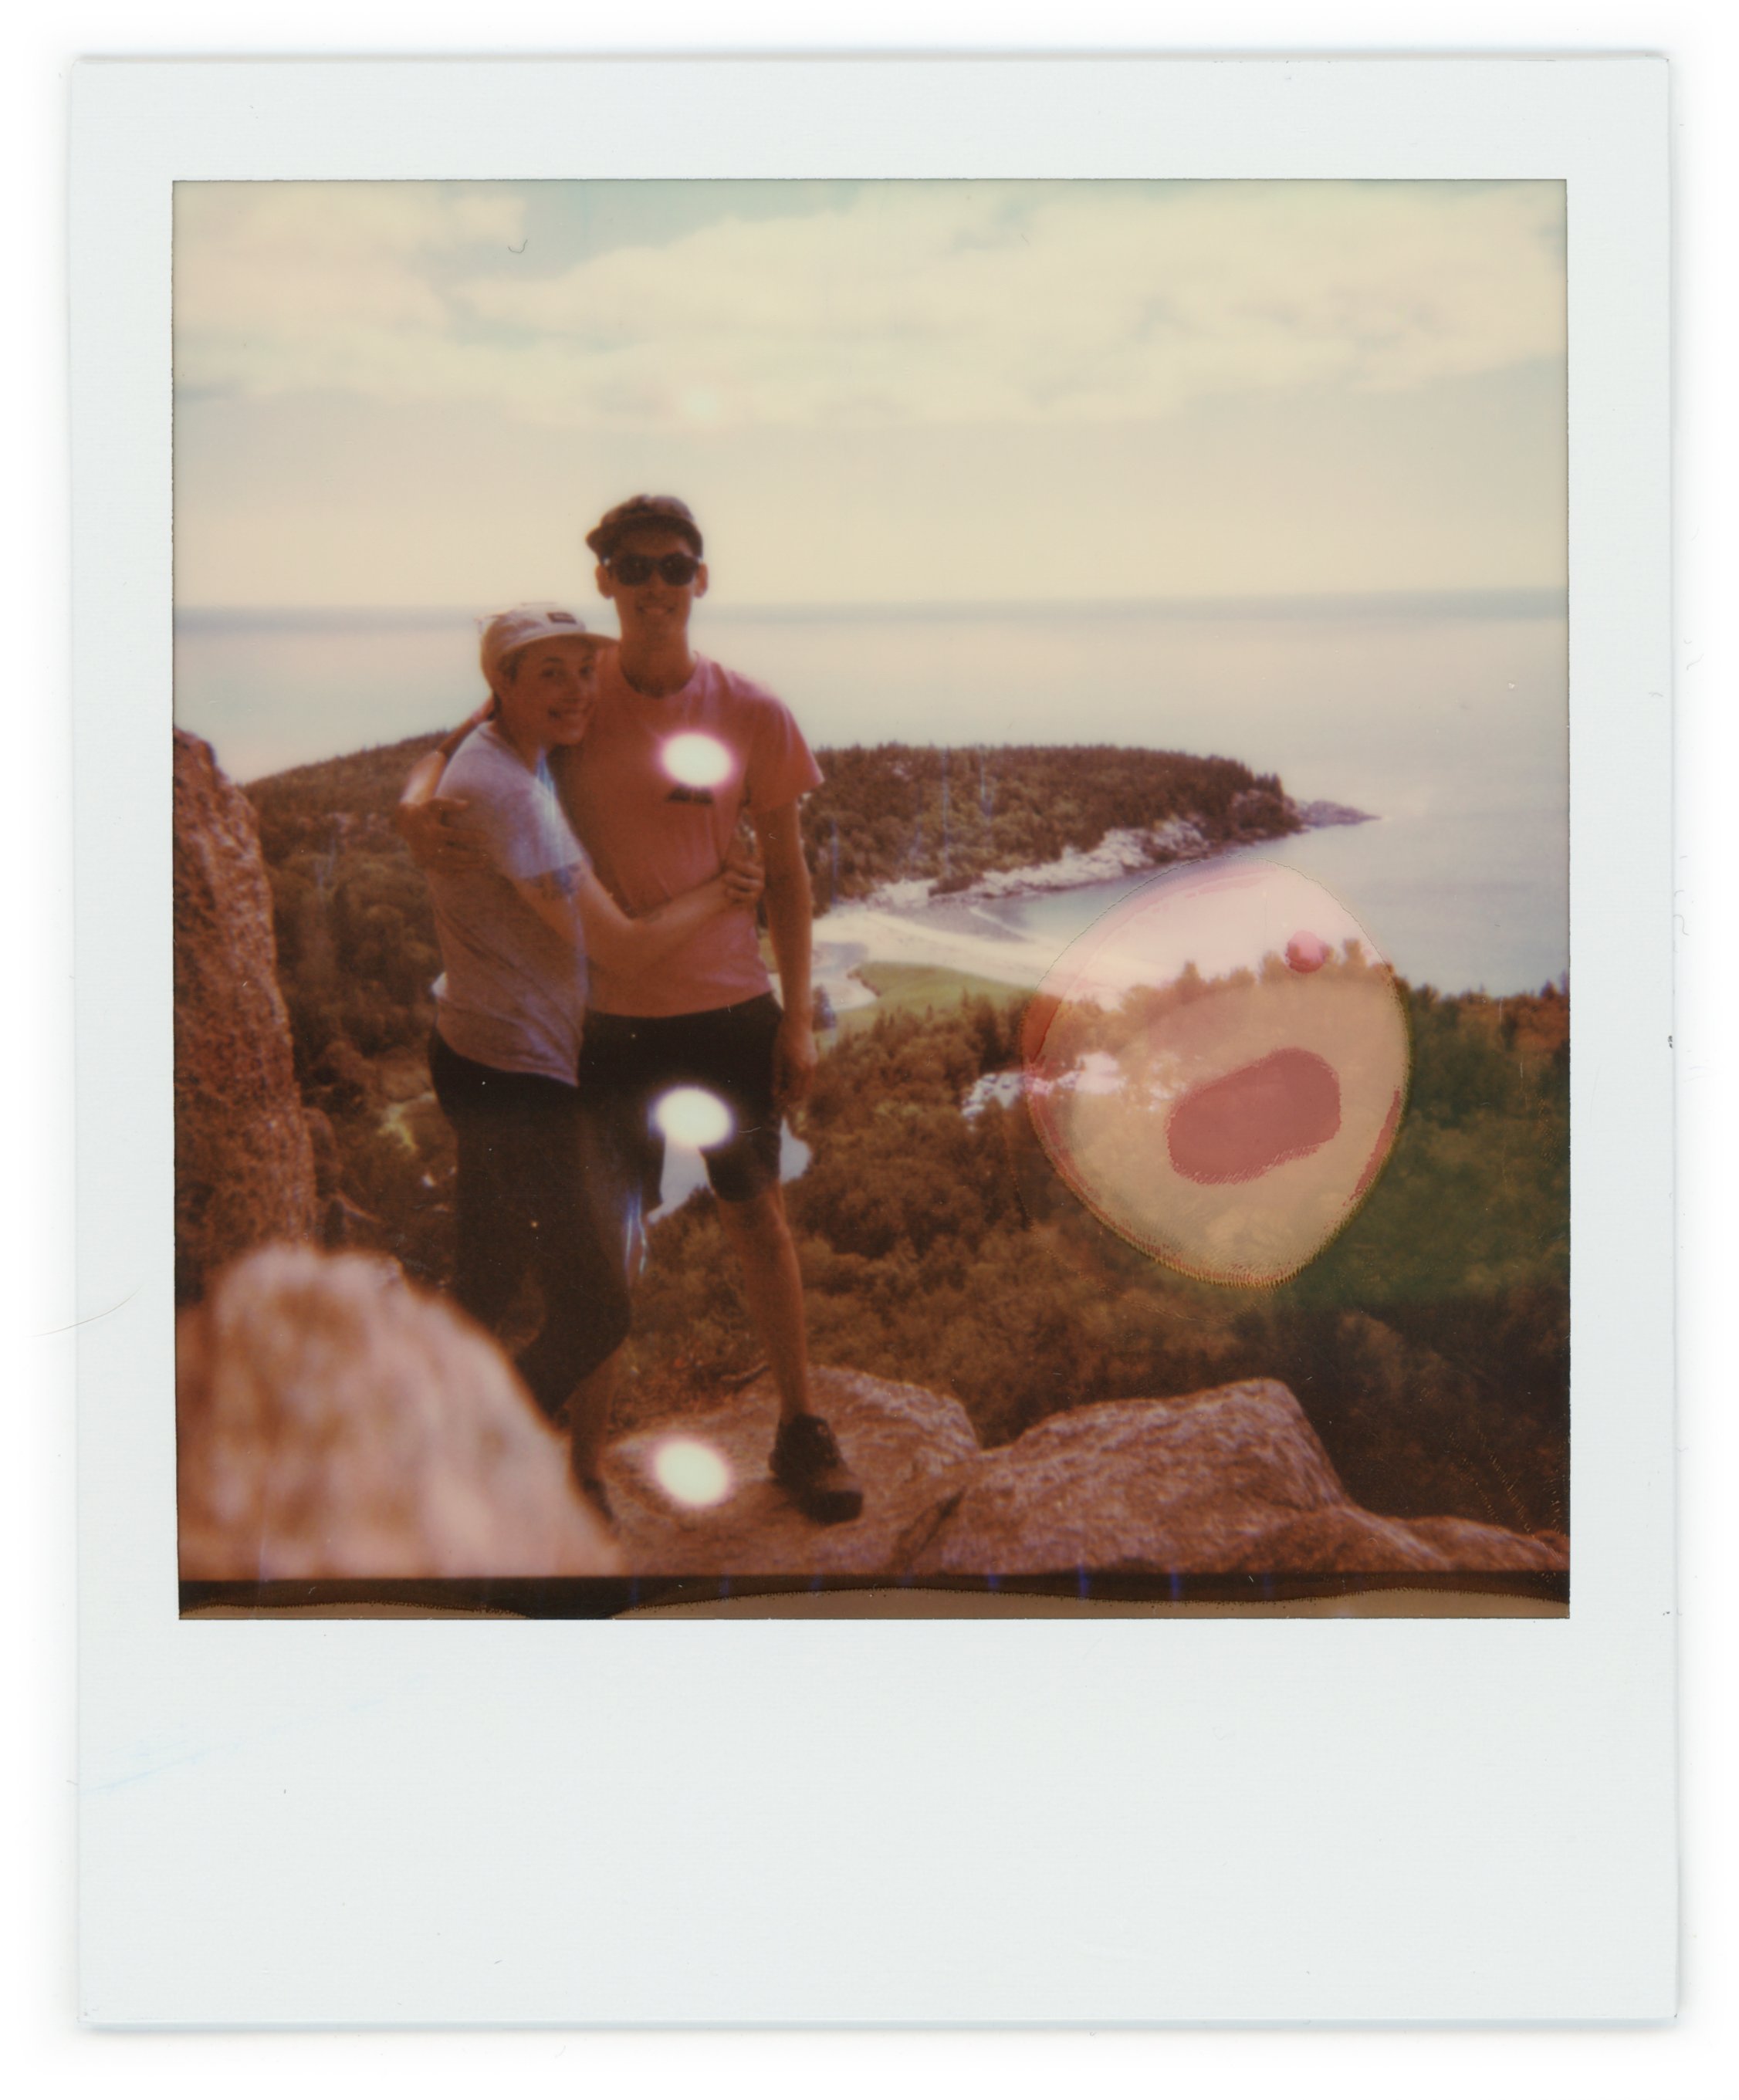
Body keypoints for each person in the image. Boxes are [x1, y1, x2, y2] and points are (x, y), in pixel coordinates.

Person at [401, 499, 863, 1525]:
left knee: (760, 1220)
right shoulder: (571, 693)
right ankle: (583, 1469)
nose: (654, 584)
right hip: (601, 1028)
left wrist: (794, 1018)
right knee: (606, 1248)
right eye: (632, 566)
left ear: (701, 580)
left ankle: (799, 1428)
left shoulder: (753, 710)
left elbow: (785, 876)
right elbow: (458, 742)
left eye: (673, 565)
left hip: (728, 1010)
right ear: (606, 582)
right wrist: (411, 795)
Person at [409, 602, 763, 1522]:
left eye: (581, 668)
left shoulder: (488, 754)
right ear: (504, 690)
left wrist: (415, 788)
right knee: (596, 1310)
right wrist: (725, 891)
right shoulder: (516, 799)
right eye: (549, 674)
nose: (575, 691)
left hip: (472, 1047)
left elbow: (452, 741)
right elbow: (623, 951)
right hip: (515, 1076)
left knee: (485, 1281)